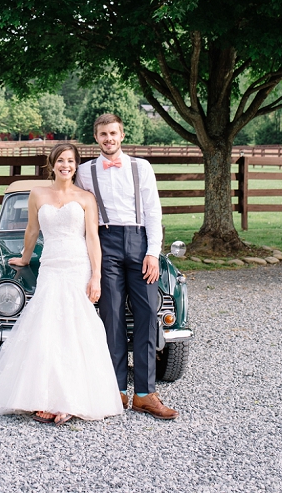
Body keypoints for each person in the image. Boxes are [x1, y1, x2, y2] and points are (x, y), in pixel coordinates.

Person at [0, 143, 124, 425]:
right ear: (52, 163)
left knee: (74, 328)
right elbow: (32, 229)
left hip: (77, 266)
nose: (65, 165)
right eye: (60, 160)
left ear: (76, 165)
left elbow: (92, 238)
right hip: (50, 265)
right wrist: (24, 257)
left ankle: (70, 400)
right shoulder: (38, 194)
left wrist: (96, 275)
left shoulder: (86, 198)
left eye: (70, 161)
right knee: (46, 327)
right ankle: (43, 396)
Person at [75, 114, 177, 420]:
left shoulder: (140, 167)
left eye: (113, 133)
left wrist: (153, 253)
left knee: (147, 314)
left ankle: (145, 394)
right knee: (112, 317)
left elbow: (153, 211)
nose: (109, 139)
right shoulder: (84, 171)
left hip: (138, 241)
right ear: (96, 138)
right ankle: (115, 390)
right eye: (103, 134)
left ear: (122, 135)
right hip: (105, 244)